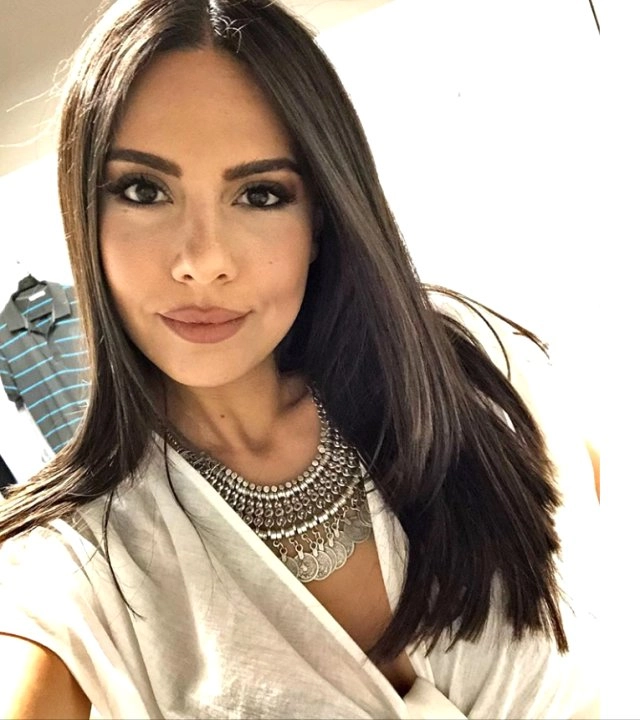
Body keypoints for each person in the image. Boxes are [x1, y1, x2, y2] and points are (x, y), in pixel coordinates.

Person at [0, 0, 599, 718]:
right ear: (84, 219)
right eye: (144, 191)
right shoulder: (68, 566)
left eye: (259, 194)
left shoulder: (466, 367)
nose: (202, 261)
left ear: (320, 217)